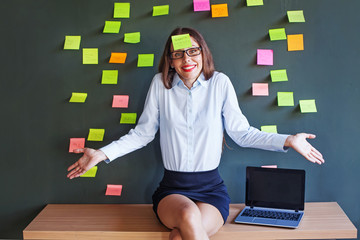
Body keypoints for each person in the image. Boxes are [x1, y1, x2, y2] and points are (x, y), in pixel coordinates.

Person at [67, 27, 324, 240]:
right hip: (172, 191)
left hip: (212, 190)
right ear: (170, 60)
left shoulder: (220, 84)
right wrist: (102, 154)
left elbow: (242, 133)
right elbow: (142, 134)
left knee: (180, 236)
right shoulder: (160, 85)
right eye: (178, 54)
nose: (187, 60)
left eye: (192, 51)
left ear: (203, 53)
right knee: (188, 216)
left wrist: (288, 140)